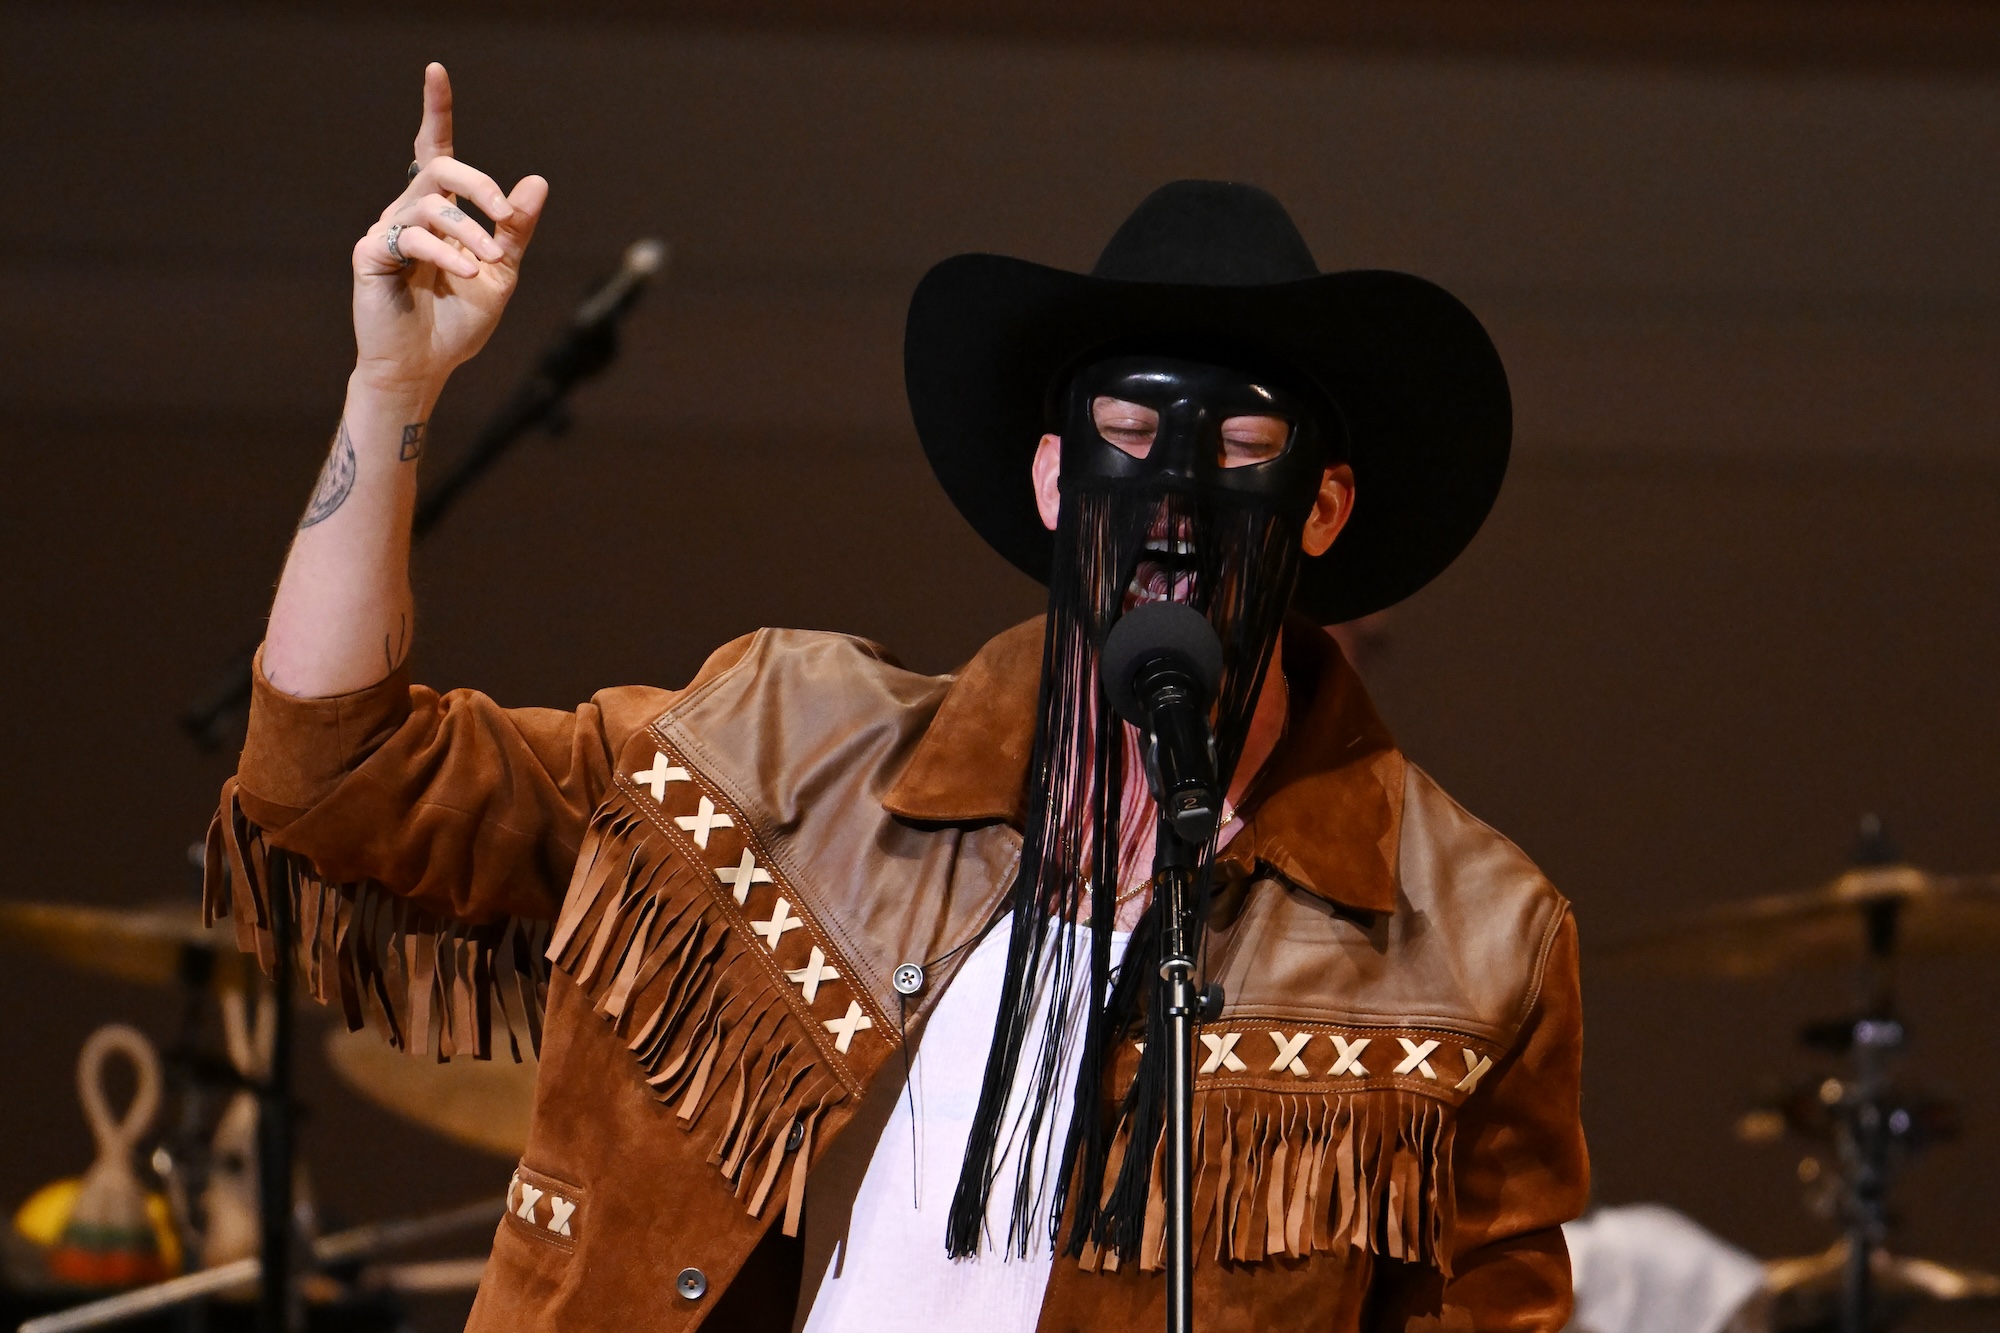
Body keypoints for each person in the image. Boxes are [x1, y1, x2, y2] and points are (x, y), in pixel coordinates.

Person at [207, 63, 1588, 1332]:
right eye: (1125, 435)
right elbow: (336, 776)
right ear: (1054, 481)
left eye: (1239, 448)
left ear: (1323, 509)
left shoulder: (1468, 946)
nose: (1173, 497)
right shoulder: (779, 751)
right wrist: (390, 387)